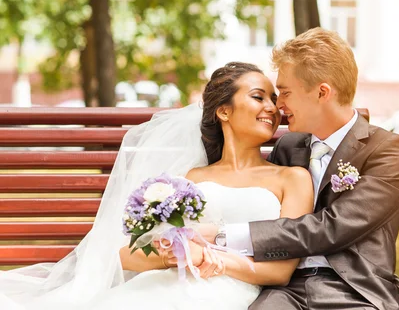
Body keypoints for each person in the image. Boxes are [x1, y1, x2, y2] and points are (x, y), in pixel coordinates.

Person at [0, 62, 314, 310]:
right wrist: (171, 255)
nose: (273, 107)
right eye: (259, 97)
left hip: (224, 296)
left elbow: (280, 272)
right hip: (162, 284)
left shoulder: (292, 179)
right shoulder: (190, 178)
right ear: (224, 110)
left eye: (274, 99)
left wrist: (209, 260)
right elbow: (126, 255)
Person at [200, 28, 399, 310]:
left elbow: (333, 227)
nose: (278, 105)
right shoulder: (289, 147)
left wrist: (222, 235)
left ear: (322, 92)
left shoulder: (388, 150)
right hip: (284, 289)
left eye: (285, 93)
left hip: (354, 291)